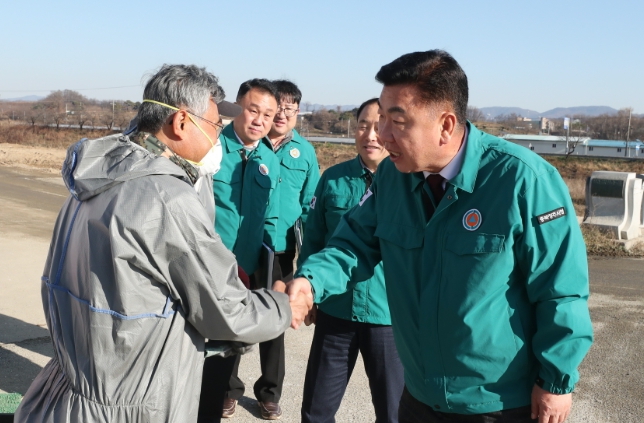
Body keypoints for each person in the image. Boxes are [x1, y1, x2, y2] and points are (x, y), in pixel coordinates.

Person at [286, 50, 593, 423]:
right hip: (419, 396)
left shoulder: (522, 180)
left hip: (497, 404)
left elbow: (560, 290)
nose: (382, 135)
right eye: (382, 120)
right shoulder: (392, 178)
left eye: (397, 122)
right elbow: (353, 244)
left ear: (446, 125)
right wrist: (311, 281)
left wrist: (555, 382)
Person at [15, 64, 309, 423]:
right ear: (181, 122)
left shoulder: (98, 176)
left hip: (70, 389)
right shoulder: (167, 197)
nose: (218, 136)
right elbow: (226, 312)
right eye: (215, 125)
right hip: (130, 405)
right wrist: (283, 305)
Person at [299, 98, 404, 422]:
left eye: (378, 125)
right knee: (316, 410)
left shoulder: (409, 184)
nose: (370, 135)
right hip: (337, 309)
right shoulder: (333, 178)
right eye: (362, 125)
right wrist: (308, 287)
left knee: (394, 411)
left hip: (388, 315)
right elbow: (314, 238)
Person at [198, 78, 282, 421]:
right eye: (253, 110)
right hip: (205, 267)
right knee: (195, 350)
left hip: (244, 273)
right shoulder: (210, 148)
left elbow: (271, 216)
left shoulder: (269, 159)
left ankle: (216, 401)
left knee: (227, 347)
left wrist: (272, 263)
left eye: (268, 115)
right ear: (237, 108)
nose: (260, 120)